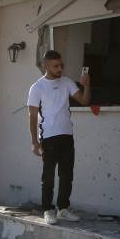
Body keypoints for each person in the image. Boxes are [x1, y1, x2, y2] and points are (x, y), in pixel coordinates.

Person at [28, 50, 90, 225]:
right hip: (48, 137)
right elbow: (32, 116)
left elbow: (84, 101)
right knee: (48, 176)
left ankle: (63, 209)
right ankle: (48, 210)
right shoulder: (37, 87)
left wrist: (87, 85)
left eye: (61, 65)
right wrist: (34, 141)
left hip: (67, 135)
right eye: (56, 66)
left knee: (67, 175)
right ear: (46, 66)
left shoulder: (67, 82)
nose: (60, 68)